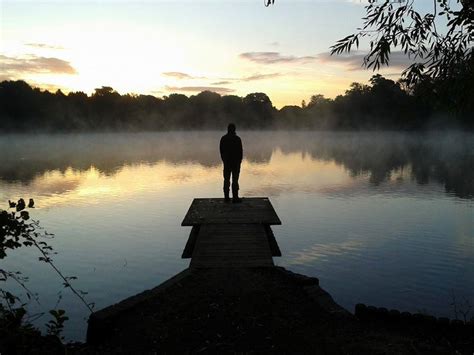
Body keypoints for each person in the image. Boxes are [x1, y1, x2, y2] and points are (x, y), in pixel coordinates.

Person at [220, 123, 243, 203]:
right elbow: (240, 152)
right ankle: (235, 198)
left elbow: (221, 151)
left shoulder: (223, 138)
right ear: (234, 129)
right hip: (235, 163)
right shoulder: (237, 139)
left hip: (227, 162)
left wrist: (224, 160)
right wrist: (239, 161)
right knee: (235, 180)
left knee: (226, 180)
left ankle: (226, 198)